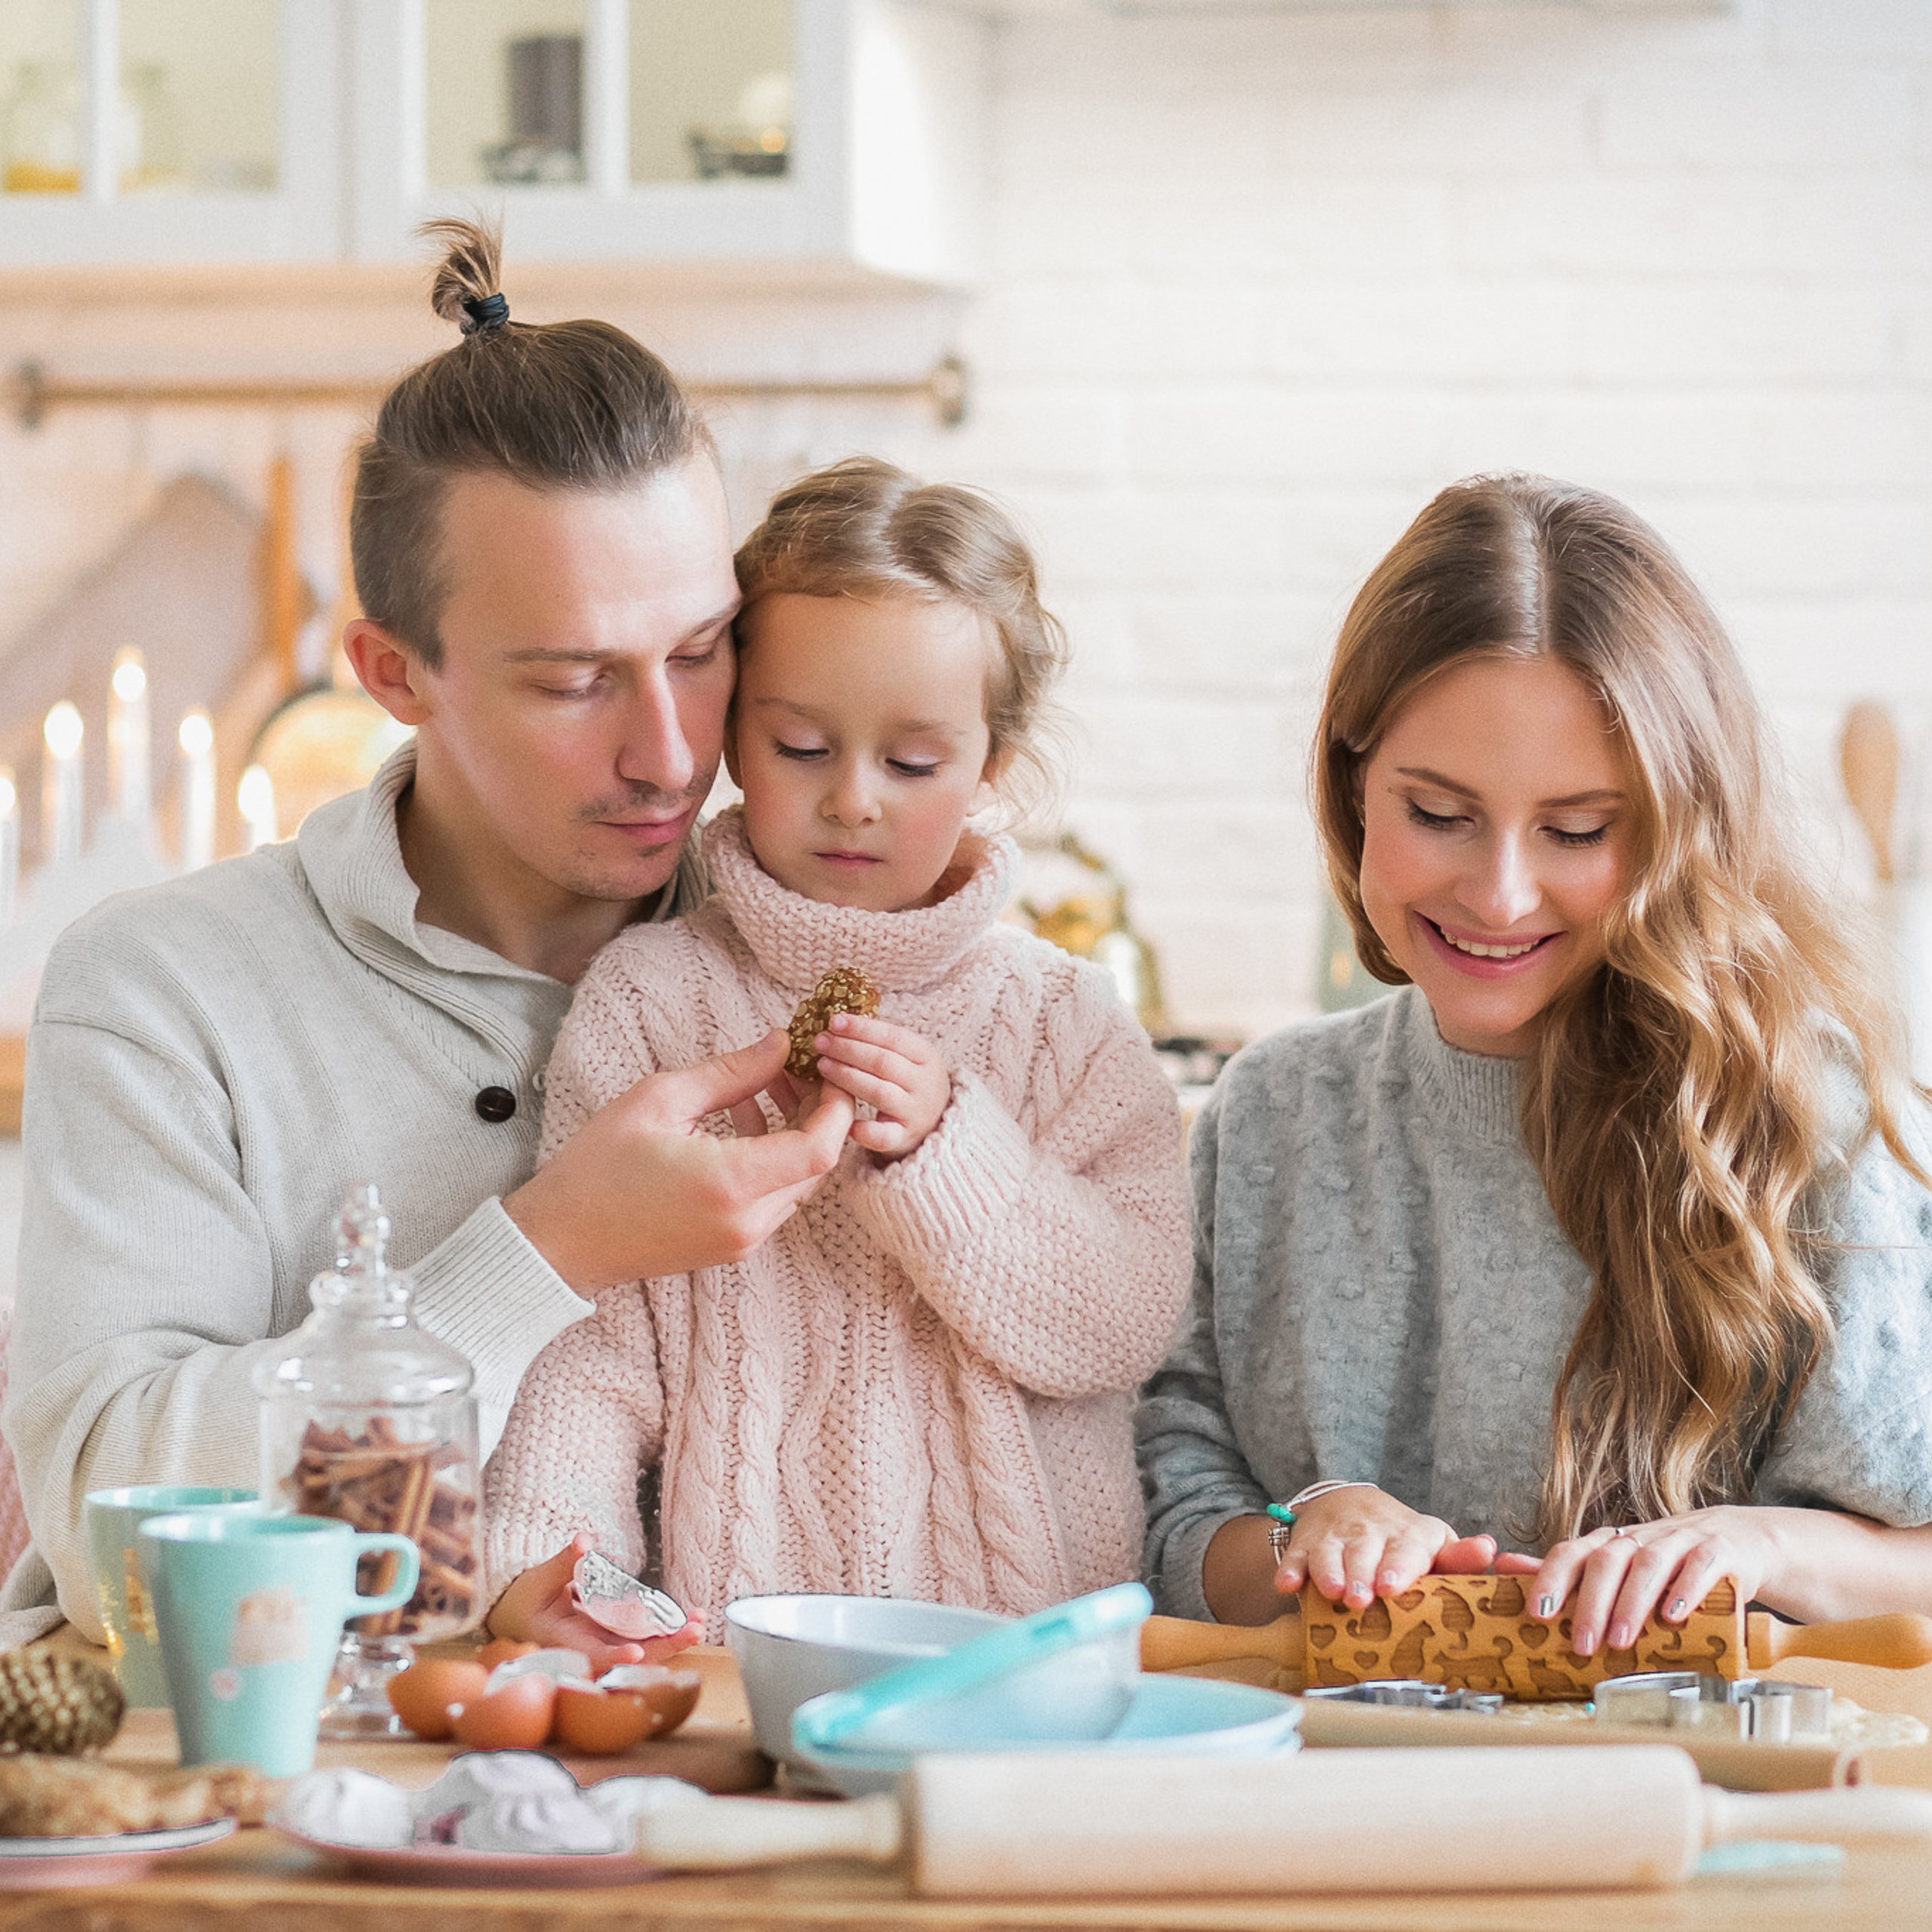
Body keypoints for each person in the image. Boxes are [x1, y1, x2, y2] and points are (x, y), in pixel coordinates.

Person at [0, 218, 849, 1644]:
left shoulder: (824, 957)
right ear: (394, 673)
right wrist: (545, 1252)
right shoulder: (166, 988)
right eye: (575, 680)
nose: (666, 752)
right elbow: (104, 1548)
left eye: (702, 652)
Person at [1137, 472, 1932, 1654]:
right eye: (1439, 814)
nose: (1500, 894)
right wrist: (1306, 1530)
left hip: (1696, 1797)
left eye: (1577, 831)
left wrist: (1760, 1545)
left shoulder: (1806, 1121)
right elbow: (1174, 1503)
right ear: (1356, 786)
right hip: (1330, 1796)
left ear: (1676, 830)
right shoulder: (1271, 1114)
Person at [483, 457, 1192, 1651]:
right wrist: (553, 1566)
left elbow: (1122, 1326)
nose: (855, 799)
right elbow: (593, 1346)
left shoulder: (1066, 1020)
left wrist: (949, 1154)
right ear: (735, 742)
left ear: (991, 768)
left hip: (1032, 1663)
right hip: (740, 1658)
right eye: (804, 746)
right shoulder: (653, 999)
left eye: (912, 764)